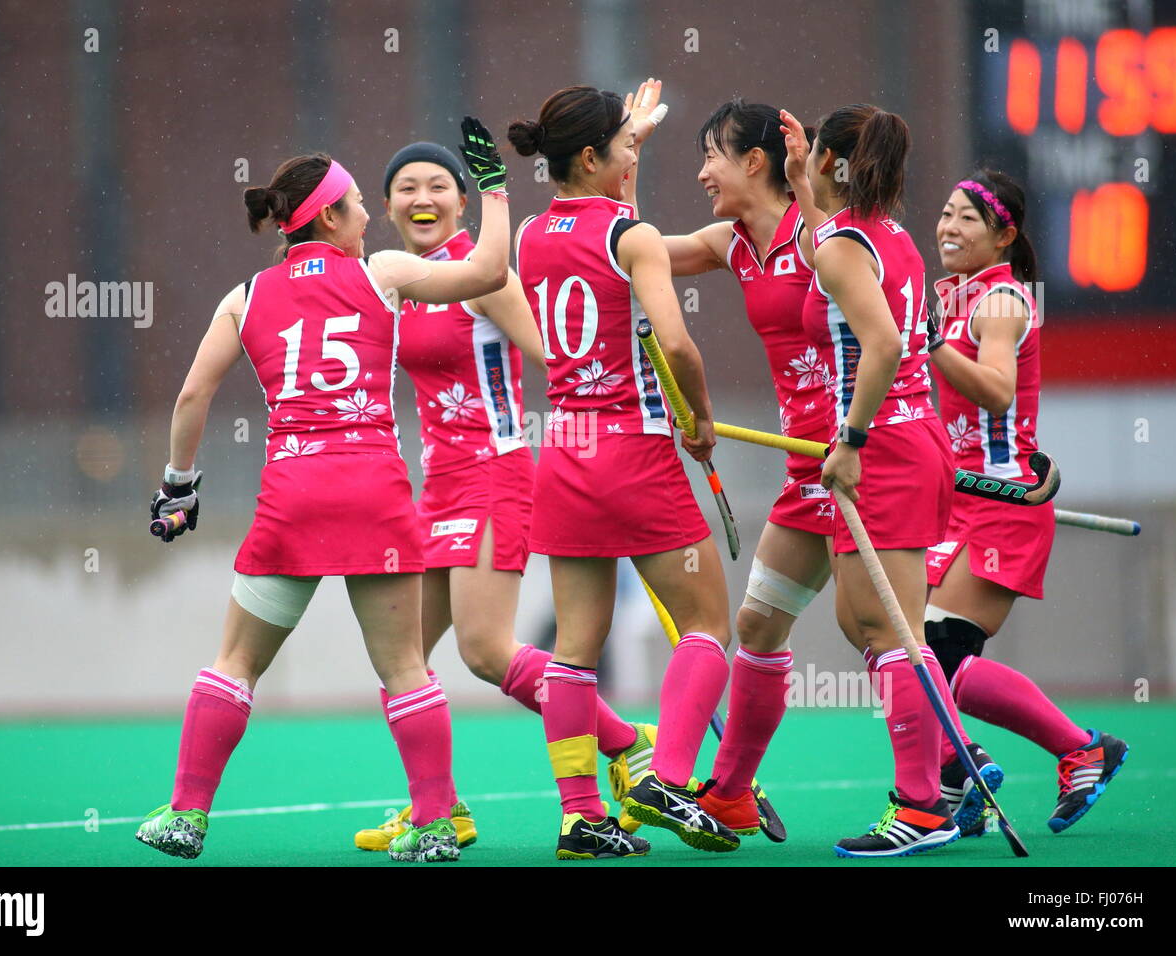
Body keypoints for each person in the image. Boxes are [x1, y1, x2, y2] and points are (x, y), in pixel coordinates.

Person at [134, 118, 511, 864]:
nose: (374, 214)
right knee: (404, 667)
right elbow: (490, 273)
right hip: (374, 489)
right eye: (358, 204)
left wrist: (178, 487)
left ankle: (187, 815)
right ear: (331, 217)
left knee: (235, 663)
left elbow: (190, 397)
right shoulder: (387, 274)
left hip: (292, 492)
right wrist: (493, 189)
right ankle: (436, 824)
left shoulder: (244, 296)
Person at [350, 139, 657, 853]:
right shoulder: (405, 277)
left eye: (436, 186)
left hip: (495, 473)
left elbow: (562, 358)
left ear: (462, 199)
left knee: (487, 652)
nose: (420, 198)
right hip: (437, 485)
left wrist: (627, 400)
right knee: (403, 659)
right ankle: (440, 810)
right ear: (389, 204)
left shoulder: (483, 274)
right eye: (404, 188)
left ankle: (624, 740)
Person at [509, 84, 738, 860]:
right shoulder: (634, 236)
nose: (633, 154)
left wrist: (630, 135)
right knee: (708, 625)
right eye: (625, 146)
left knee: (574, 649)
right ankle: (666, 776)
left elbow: (601, 229)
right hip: (633, 453)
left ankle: (580, 818)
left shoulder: (532, 236)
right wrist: (699, 422)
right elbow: (674, 345)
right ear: (589, 156)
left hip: (564, 453)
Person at [794, 103, 989, 858]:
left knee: (892, 631)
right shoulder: (891, 237)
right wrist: (801, 187)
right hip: (917, 440)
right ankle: (944, 768)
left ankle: (921, 804)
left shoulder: (846, 247)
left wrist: (849, 439)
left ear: (834, 163)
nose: (806, 161)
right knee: (867, 623)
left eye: (813, 151)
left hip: (885, 450)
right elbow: (840, 255)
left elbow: (879, 346)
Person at [636, 97, 832, 841]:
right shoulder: (733, 243)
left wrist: (808, 185)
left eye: (713, 155)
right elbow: (633, 250)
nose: (703, 172)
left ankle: (940, 781)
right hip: (806, 470)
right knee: (755, 625)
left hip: (860, 457)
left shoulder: (819, 237)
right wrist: (627, 161)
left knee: (884, 632)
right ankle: (730, 793)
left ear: (757, 162)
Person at [925, 169, 1128, 834]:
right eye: (947, 214)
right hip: (958, 499)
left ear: (1003, 234)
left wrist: (926, 343)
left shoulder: (1002, 301)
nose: (948, 228)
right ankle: (961, 778)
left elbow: (997, 391)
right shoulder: (958, 296)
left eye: (967, 219)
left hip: (1004, 502)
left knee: (942, 649)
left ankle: (1078, 748)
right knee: (917, 648)